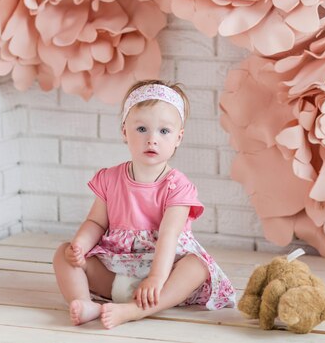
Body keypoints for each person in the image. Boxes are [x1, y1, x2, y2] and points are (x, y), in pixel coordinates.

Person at [52, 80, 236, 329]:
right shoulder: (110, 179)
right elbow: (95, 221)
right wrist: (80, 246)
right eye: (141, 129)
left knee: (197, 266)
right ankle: (85, 303)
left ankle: (133, 311)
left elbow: (169, 236)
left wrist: (156, 278)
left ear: (178, 138)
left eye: (163, 131)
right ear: (124, 132)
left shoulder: (177, 186)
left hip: (162, 278)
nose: (152, 139)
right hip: (115, 271)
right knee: (63, 255)